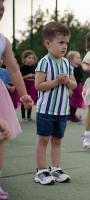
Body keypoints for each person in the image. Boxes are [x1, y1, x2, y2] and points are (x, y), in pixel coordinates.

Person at [34, 21, 77, 185]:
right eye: (60, 42)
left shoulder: (67, 63)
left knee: (57, 140)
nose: (64, 46)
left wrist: (66, 81)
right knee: (43, 140)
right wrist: (57, 82)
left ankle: (56, 168)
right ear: (48, 43)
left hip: (62, 111)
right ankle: (41, 171)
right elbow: (39, 85)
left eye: (66, 42)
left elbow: (73, 85)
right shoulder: (44, 62)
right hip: (46, 110)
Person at [0, 0, 34, 197]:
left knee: (1, 139)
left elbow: (13, 68)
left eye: (2, 7)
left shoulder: (3, 40)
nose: (1, 10)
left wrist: (24, 94)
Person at [20, 50, 38, 122]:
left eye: (32, 58)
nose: (31, 59)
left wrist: (34, 75)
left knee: (31, 100)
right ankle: (23, 117)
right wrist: (27, 76)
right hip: (25, 85)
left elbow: (37, 76)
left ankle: (29, 117)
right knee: (24, 100)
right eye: (29, 58)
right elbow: (20, 78)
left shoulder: (35, 68)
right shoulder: (22, 67)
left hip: (32, 86)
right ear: (25, 59)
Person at [67, 50, 84, 123]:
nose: (79, 59)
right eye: (77, 58)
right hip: (73, 87)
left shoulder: (79, 67)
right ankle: (71, 116)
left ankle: (72, 115)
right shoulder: (70, 68)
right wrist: (69, 89)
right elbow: (68, 79)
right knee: (72, 103)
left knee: (77, 102)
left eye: (79, 57)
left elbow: (80, 78)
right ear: (71, 59)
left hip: (78, 87)